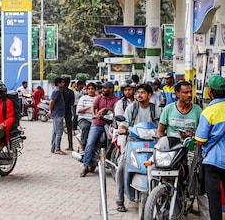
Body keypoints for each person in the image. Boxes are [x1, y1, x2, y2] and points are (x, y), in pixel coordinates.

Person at [156, 80, 210, 219]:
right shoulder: (168, 109)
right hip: (172, 151)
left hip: (192, 149)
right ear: (177, 94)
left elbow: (203, 134)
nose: (188, 95)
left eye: (190, 92)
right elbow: (160, 132)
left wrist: (192, 135)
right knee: (157, 172)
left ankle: (206, 216)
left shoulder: (198, 111)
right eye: (185, 92)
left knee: (197, 180)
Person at [195, 75, 225, 220]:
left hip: (212, 161)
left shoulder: (208, 112)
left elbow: (200, 140)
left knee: (214, 199)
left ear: (210, 91)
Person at [115, 84, 157, 212]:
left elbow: (162, 125)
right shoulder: (131, 108)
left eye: (143, 92)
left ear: (150, 95)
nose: (139, 95)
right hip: (133, 142)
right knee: (121, 168)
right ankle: (119, 200)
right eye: (138, 92)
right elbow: (124, 123)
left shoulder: (156, 109)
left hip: (153, 143)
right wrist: (122, 128)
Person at [80, 81, 119, 177]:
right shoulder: (99, 98)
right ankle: (85, 167)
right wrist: (94, 114)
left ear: (111, 89)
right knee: (90, 143)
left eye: (106, 88)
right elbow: (94, 106)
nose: (103, 90)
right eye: (103, 88)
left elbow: (117, 109)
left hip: (110, 125)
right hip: (97, 124)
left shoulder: (117, 100)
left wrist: (106, 109)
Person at [76, 82, 97, 153]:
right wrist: (89, 107)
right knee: (86, 126)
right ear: (87, 90)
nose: (91, 91)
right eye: (89, 89)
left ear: (95, 90)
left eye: (92, 89)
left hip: (95, 119)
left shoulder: (98, 99)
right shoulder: (83, 98)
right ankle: (82, 146)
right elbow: (78, 111)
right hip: (84, 119)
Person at [48, 77, 67, 155]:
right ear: (58, 83)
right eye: (62, 82)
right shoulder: (57, 91)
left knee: (55, 131)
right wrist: (50, 110)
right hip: (58, 114)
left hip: (57, 113)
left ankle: (53, 148)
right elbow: (52, 101)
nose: (64, 84)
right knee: (59, 132)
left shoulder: (57, 90)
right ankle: (57, 149)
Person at [63, 77, 75, 151]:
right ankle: (70, 145)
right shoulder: (71, 92)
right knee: (69, 130)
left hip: (60, 112)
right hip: (68, 112)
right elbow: (72, 103)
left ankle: (57, 146)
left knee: (58, 131)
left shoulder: (60, 91)